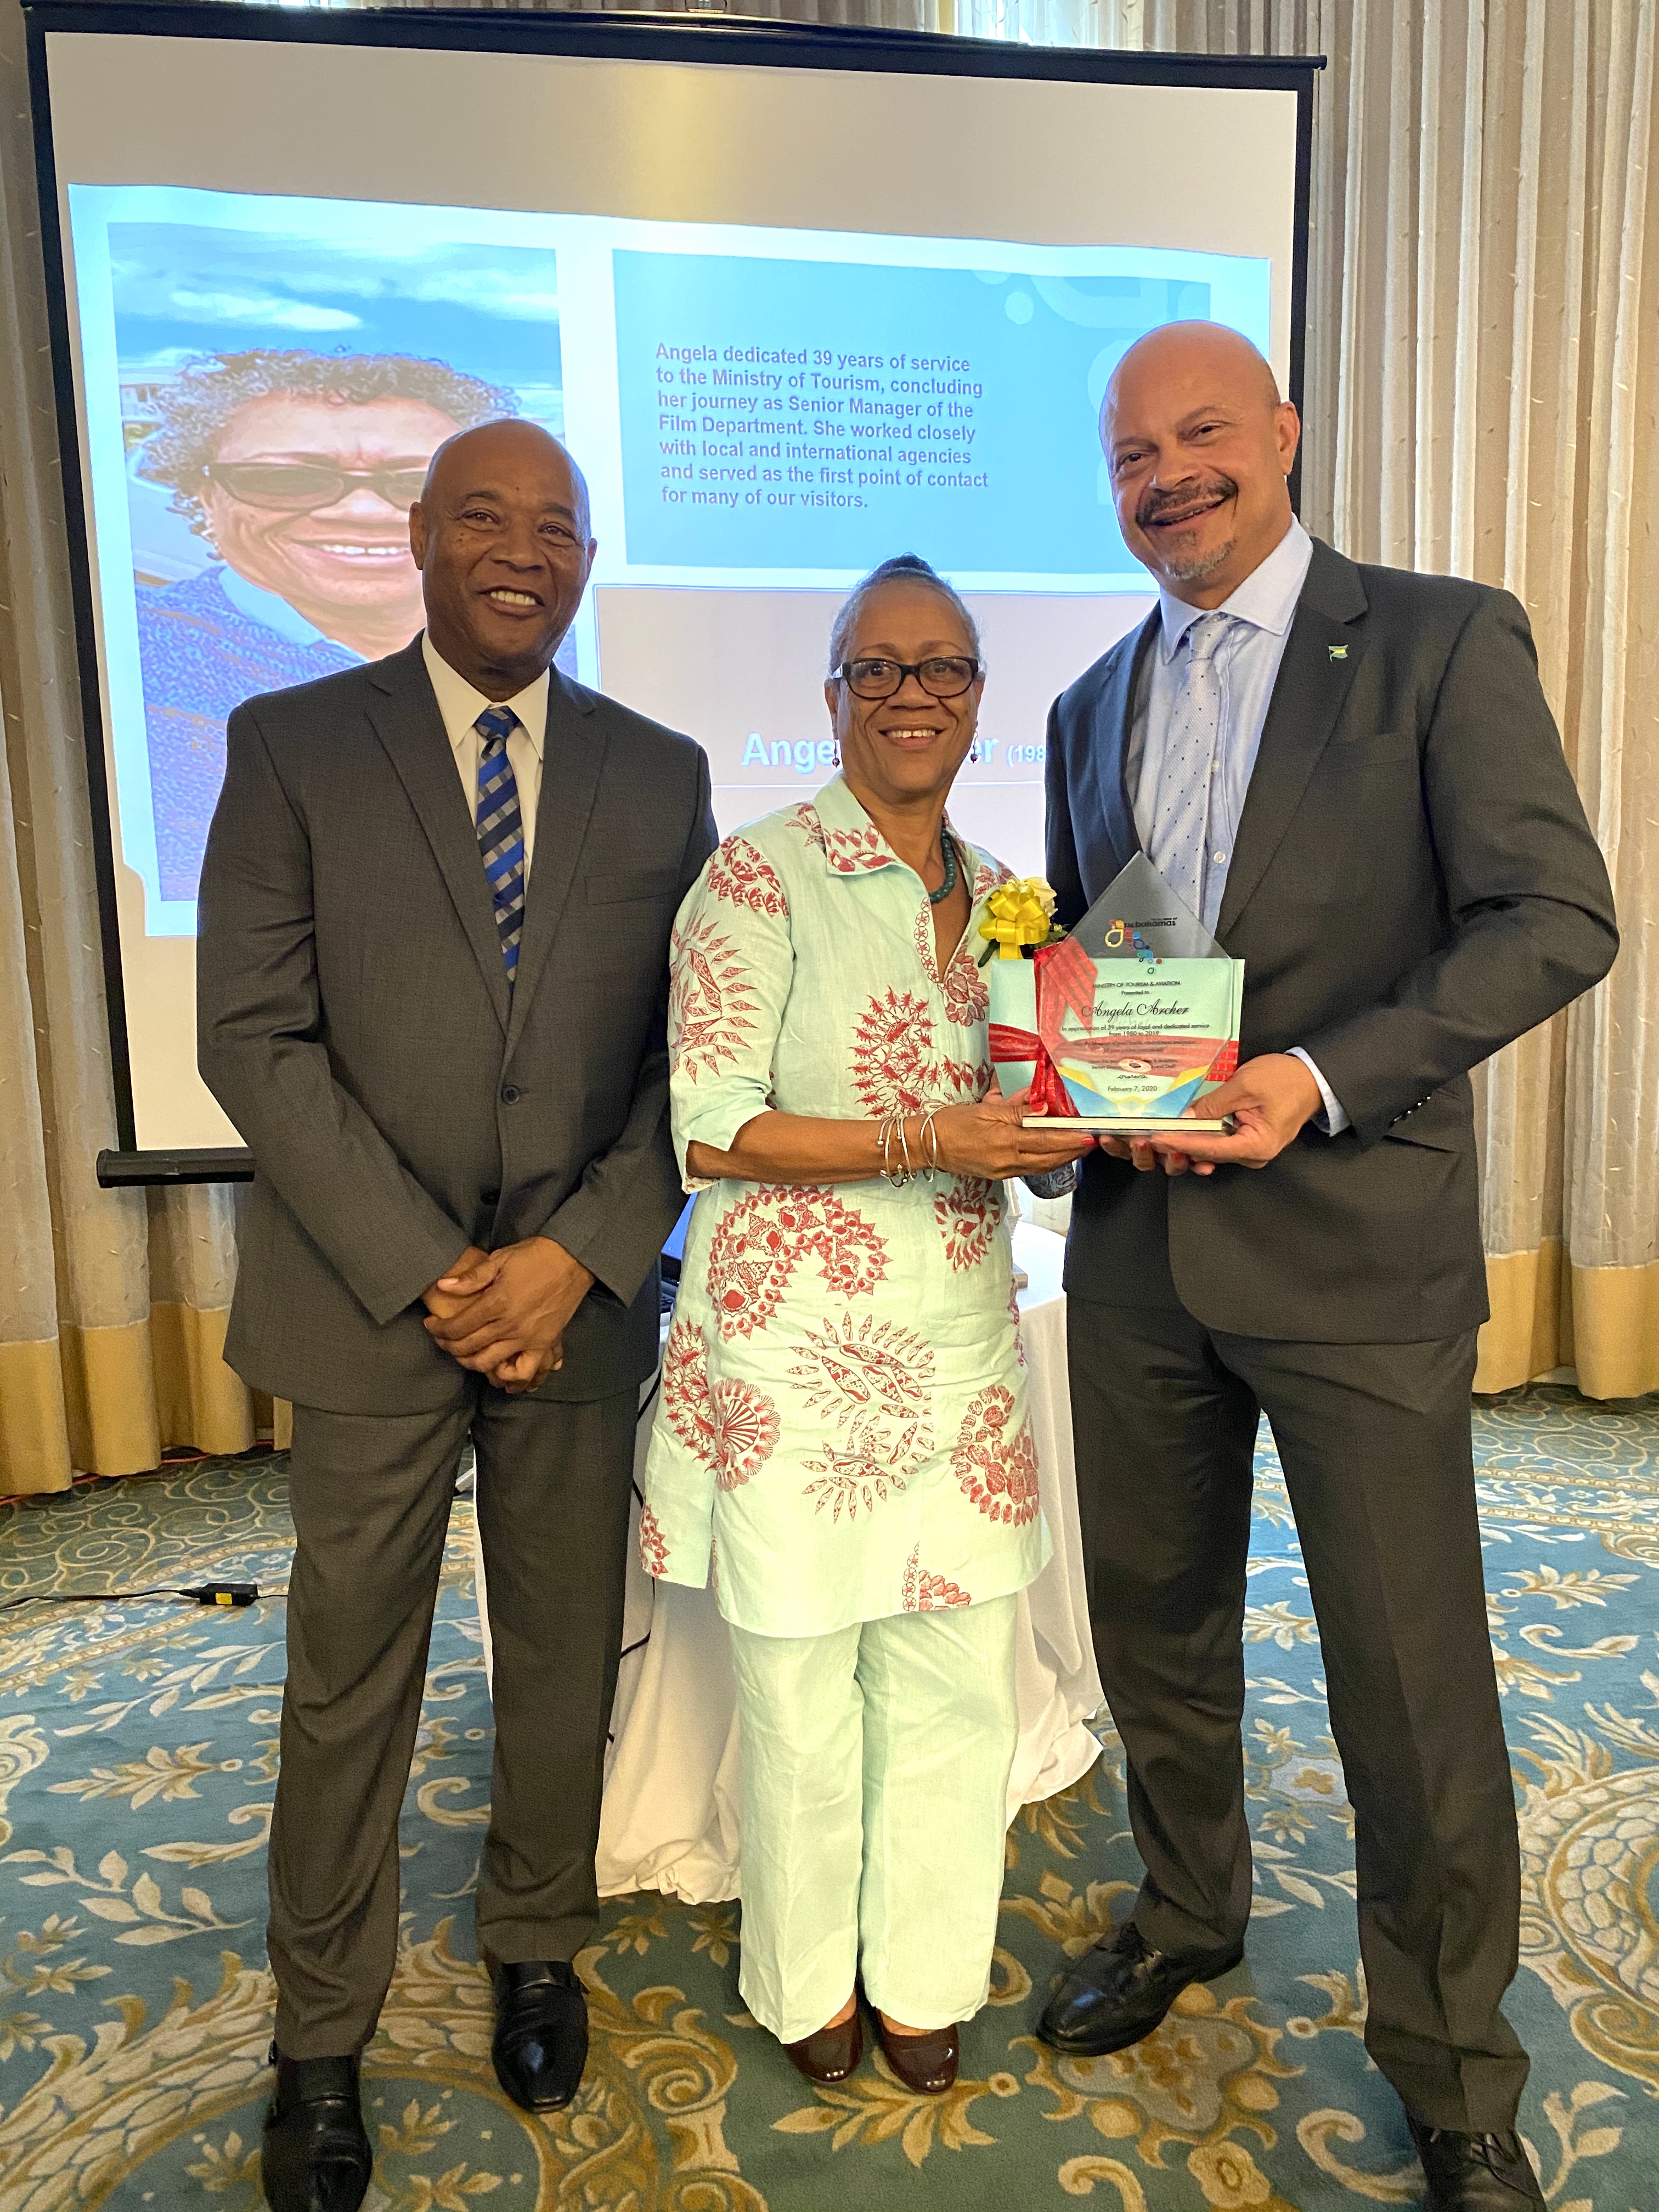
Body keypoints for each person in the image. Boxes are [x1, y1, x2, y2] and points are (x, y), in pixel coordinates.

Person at [1037, 323, 1617, 2212]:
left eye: (1202, 432)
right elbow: (1119, 963)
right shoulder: (1081, 706)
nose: (1167, 472)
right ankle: (1187, 1905)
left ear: (1281, 436)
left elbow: (1556, 915)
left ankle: (1453, 2070)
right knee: (1156, 1631)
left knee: (1406, 1674)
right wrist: (1103, 1086)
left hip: (1357, 1248)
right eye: (1132, 451)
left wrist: (1312, 1076)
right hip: (1138, 1262)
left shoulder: (1440, 640)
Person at [197, 419, 715, 2212]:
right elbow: (250, 1037)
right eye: (481, 517)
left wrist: (575, 1250)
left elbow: (688, 1057)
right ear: (419, 540)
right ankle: (318, 2037)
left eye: (555, 526)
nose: (520, 549)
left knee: (562, 1645)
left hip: (573, 1304)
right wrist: (432, 1266)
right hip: (367, 1303)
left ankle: (536, 1940)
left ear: (585, 560)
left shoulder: (662, 776)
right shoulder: (287, 748)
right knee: (350, 1676)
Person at [641, 554, 1092, 2095]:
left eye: (944, 670)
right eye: (879, 669)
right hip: (791, 1367)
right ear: (829, 696)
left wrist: (1072, 1123)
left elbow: (1021, 1112)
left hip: (959, 1350)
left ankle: (918, 1979)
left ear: (981, 702)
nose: (913, 697)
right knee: (801, 1699)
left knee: (959, 1693)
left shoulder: (1014, 903)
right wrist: (937, 1141)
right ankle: (803, 1983)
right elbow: (710, 1129)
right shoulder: (754, 877)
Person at [133, 349, 525, 899]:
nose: (364, 512)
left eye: (415, 484)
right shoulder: (128, 670)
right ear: (203, 495)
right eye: (287, 480)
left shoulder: (561, 675)